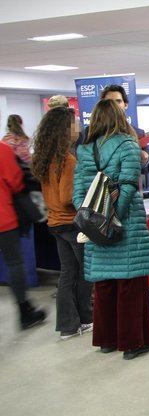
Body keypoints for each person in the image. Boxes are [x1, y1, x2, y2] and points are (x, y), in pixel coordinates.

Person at [73, 99, 149, 360]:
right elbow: (129, 185)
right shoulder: (128, 145)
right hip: (126, 226)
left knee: (105, 285)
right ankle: (133, 343)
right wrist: (113, 217)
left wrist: (93, 219)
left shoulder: (85, 150)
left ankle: (107, 340)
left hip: (95, 229)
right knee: (130, 285)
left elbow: (78, 194)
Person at [32, 107, 92, 340]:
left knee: (68, 274)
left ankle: (68, 325)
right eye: (75, 123)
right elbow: (68, 198)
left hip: (55, 224)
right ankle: (86, 318)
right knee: (84, 273)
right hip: (71, 224)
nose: (78, 127)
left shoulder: (45, 159)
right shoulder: (67, 161)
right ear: (65, 130)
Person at [0, 122, 46, 330]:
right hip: (4, 218)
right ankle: (24, 311)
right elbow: (16, 181)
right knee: (14, 262)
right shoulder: (2, 151)